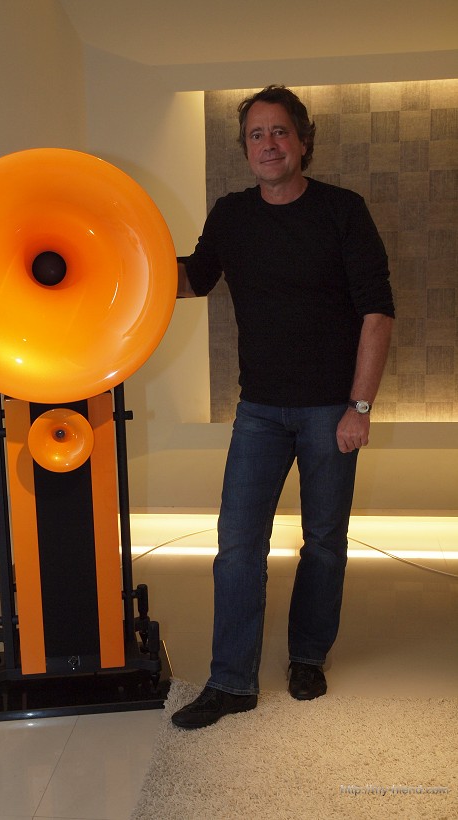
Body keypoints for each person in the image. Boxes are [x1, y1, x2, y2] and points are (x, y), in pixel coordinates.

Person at [172, 85, 394, 730]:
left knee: (323, 541)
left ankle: (307, 657)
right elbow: (192, 279)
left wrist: (359, 407)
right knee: (238, 544)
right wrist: (122, 257)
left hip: (331, 409)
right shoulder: (231, 215)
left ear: (302, 140)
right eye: (256, 135)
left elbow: (377, 313)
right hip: (260, 411)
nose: (268, 144)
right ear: (245, 149)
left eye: (279, 132)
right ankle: (231, 681)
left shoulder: (342, 211)